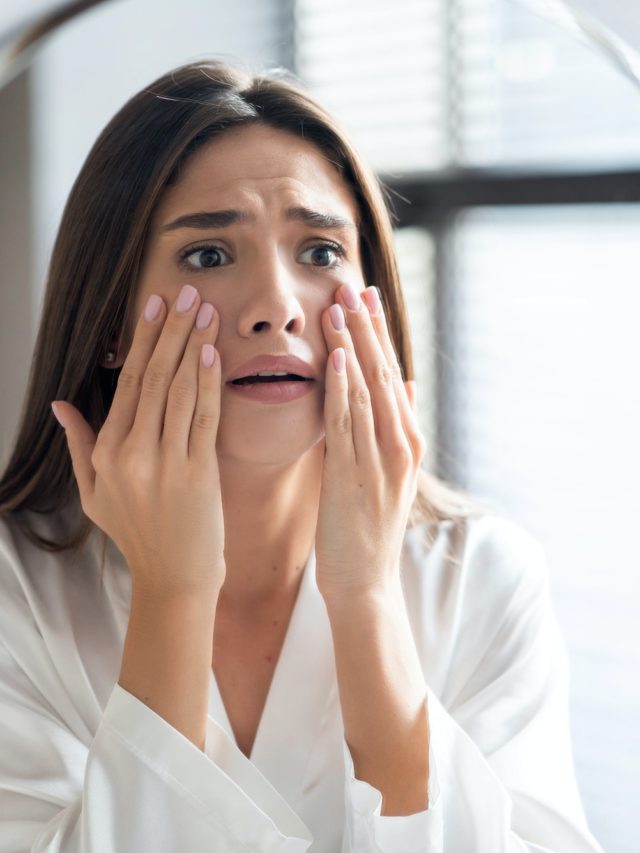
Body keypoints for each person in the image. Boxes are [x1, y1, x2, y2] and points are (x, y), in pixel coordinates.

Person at [0, 60, 603, 853]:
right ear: (111, 320)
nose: (278, 309)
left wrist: (367, 599)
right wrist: (174, 594)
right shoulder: (17, 592)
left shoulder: (483, 578)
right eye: (209, 255)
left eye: (320, 253)